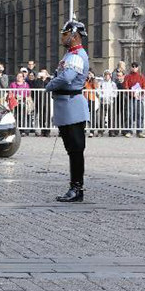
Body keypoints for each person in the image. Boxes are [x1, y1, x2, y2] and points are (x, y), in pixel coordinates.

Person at [47, 20, 90, 202]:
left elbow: (66, 77)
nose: (63, 37)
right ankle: (75, 187)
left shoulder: (76, 55)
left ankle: (76, 188)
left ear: (74, 35)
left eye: (65, 33)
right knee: (72, 149)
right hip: (66, 106)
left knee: (75, 149)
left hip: (72, 105)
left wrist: (49, 85)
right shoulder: (70, 54)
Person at [124, 62, 145, 137]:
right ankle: (129, 131)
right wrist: (130, 93)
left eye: (135, 67)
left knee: (140, 114)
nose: (134, 68)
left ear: (137, 68)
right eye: (133, 66)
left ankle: (139, 131)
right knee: (129, 114)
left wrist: (141, 93)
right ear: (131, 68)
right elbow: (126, 86)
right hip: (131, 98)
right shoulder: (127, 77)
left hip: (139, 98)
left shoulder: (141, 76)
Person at [99, 70, 117, 136]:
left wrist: (112, 97)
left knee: (111, 116)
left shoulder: (113, 84)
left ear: (110, 76)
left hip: (110, 102)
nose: (107, 76)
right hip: (102, 102)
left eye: (108, 75)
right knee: (101, 117)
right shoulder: (101, 83)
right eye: (106, 75)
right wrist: (101, 96)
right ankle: (101, 131)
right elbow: (98, 91)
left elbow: (115, 92)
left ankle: (111, 131)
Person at [83, 70, 101, 136]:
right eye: (88, 73)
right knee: (83, 115)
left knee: (92, 115)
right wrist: (86, 78)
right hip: (84, 98)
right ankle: (83, 129)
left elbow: (95, 87)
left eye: (90, 73)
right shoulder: (85, 80)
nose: (89, 75)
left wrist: (93, 78)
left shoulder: (94, 80)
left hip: (91, 98)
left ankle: (92, 131)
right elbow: (83, 86)